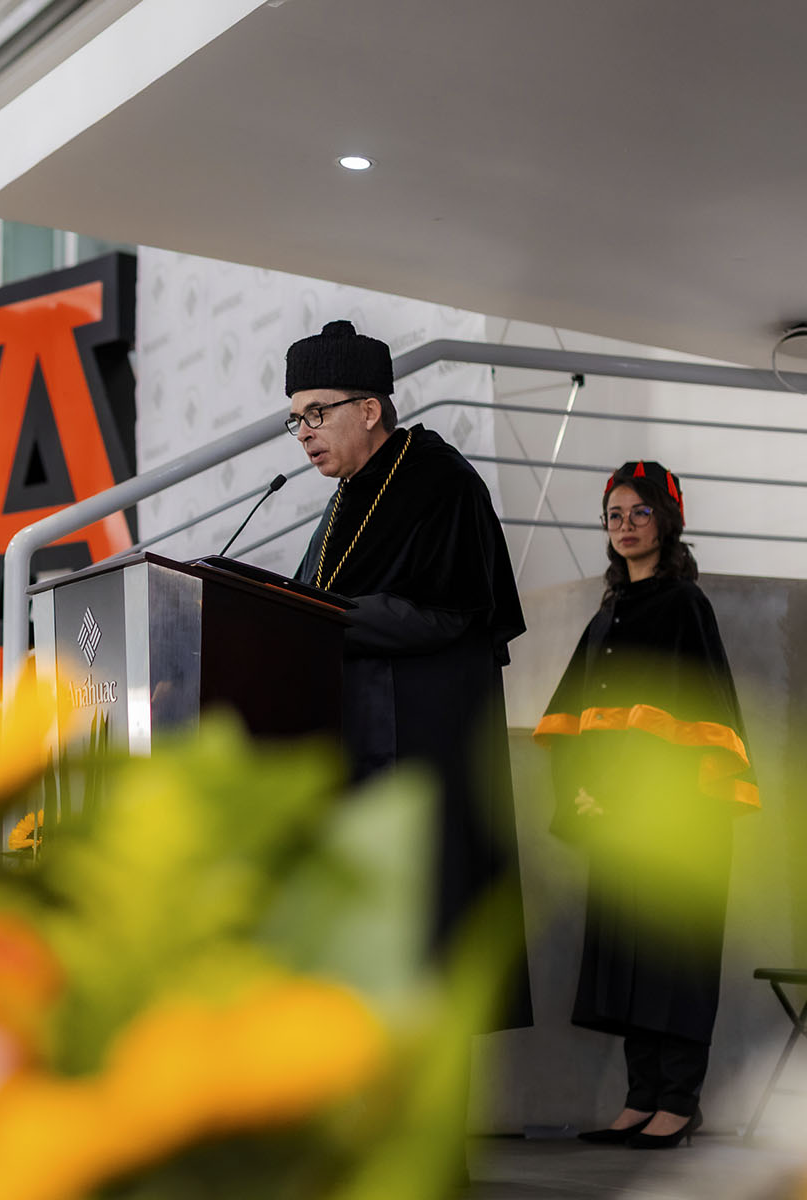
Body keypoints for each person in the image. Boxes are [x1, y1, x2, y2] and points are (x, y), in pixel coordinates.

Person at [285, 320, 532, 1027]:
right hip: (358, 749)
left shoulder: (439, 482)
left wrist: (324, 617)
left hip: (422, 751)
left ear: (369, 410)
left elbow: (451, 613)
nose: (303, 433)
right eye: (295, 418)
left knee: (426, 955)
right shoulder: (344, 500)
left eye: (316, 413)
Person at [536, 462, 754, 1150]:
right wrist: (580, 786)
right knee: (630, 960)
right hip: (615, 819)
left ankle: (679, 1103)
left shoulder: (683, 606)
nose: (625, 527)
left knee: (673, 958)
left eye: (638, 513)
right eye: (613, 515)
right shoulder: (609, 613)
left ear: (666, 521)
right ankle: (641, 1098)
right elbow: (575, 718)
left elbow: (695, 722)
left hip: (673, 819)